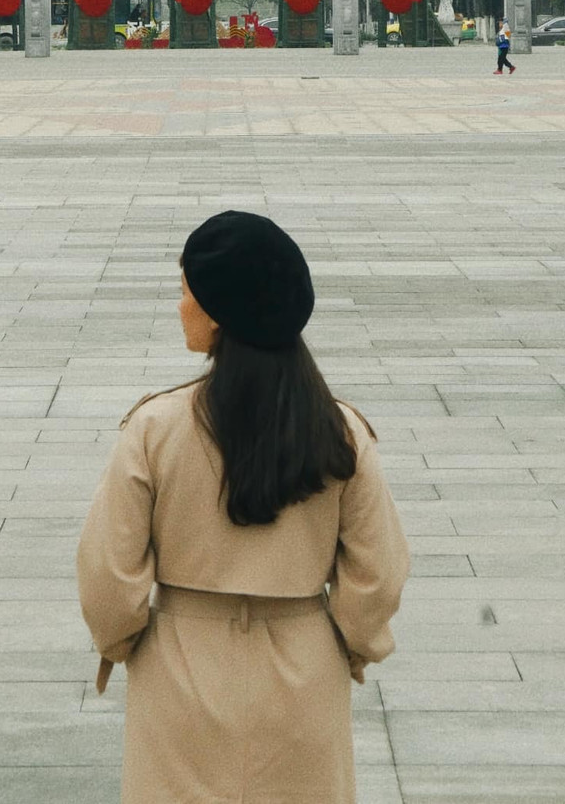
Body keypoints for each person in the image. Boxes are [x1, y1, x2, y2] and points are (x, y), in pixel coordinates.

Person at [77, 211, 409, 804]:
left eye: (185, 290)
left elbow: (109, 574)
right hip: (304, 667)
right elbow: (377, 573)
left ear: (216, 311)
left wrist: (122, 644)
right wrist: (352, 647)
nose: (179, 305)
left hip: (180, 665)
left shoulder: (155, 428)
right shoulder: (341, 431)